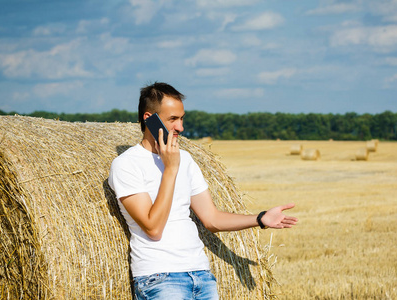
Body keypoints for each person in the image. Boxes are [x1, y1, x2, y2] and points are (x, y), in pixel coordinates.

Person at [108, 82, 298, 300]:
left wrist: (260, 218)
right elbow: (153, 227)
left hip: (201, 276)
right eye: (172, 119)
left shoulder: (186, 160)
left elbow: (212, 219)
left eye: (182, 118)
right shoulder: (126, 165)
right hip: (160, 279)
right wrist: (170, 169)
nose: (180, 127)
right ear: (149, 118)